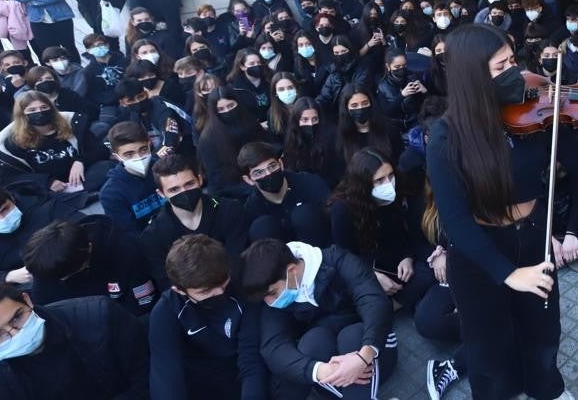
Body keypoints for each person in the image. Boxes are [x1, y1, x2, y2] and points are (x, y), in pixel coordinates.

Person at [425, 24, 569, 399]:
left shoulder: (530, 111)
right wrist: (507, 274)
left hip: (534, 233)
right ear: (473, 75)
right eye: (501, 65)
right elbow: (455, 221)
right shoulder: (446, 135)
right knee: (489, 345)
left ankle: (545, 388)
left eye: (513, 60)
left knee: (543, 328)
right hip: (481, 249)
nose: (515, 72)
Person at [239, 237, 397, 399]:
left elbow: (372, 299)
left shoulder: (336, 259)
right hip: (330, 376)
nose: (270, 302)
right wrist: (321, 370)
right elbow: (274, 347)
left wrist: (364, 355)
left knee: (351, 335)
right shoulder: (275, 300)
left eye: (272, 293)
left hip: (375, 351)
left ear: (292, 271)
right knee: (313, 341)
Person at [0, 280, 150, 398]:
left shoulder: (100, 316)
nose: (15, 333)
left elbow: (148, 375)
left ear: (27, 300)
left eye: (17, 317)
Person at [150, 234, 265, 400]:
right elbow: (167, 375)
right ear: (180, 290)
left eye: (222, 282)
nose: (219, 292)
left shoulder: (243, 287)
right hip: (201, 384)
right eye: (206, 291)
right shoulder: (165, 312)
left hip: (246, 375)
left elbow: (251, 358)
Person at [329, 147, 434, 309]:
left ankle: (396, 304)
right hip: (366, 266)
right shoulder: (343, 208)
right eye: (379, 180)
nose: (388, 183)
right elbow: (345, 256)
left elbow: (407, 233)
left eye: (390, 176)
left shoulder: (397, 191)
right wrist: (373, 275)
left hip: (398, 261)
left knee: (428, 270)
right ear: (363, 183)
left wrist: (408, 257)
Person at [140, 155, 248, 290]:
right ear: (161, 194)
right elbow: (167, 283)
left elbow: (237, 261)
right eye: (174, 190)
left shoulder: (229, 210)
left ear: (200, 179)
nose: (184, 192)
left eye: (189, 184)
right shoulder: (153, 236)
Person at [22, 216, 156, 314]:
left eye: (65, 277)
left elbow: (143, 303)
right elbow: (46, 306)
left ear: (89, 250)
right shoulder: (45, 264)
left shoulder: (126, 251)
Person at [0, 180, 84, 283]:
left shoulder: (43, 207)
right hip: (27, 288)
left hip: (74, 263)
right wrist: (8, 276)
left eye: (5, 209)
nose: (2, 218)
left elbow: (88, 225)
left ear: (12, 199)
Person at [0, 91, 108, 193]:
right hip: (47, 188)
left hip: (83, 177)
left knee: (106, 167)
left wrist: (81, 160)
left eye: (43, 107)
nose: (39, 112)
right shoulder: (13, 142)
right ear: (22, 115)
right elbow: (9, 179)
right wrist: (46, 181)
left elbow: (100, 149)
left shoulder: (71, 126)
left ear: (51, 108)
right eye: (32, 110)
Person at [237, 141, 331, 246]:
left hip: (322, 251)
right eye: (259, 173)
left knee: (304, 214)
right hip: (283, 258)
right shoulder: (252, 210)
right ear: (249, 180)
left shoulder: (307, 182)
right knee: (262, 227)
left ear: (281, 164)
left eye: (272, 166)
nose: (268, 174)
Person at [98, 121, 168, 234]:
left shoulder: (165, 169)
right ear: (117, 157)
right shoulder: (111, 193)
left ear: (150, 144)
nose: (139, 157)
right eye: (129, 154)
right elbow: (128, 234)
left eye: (143, 149)